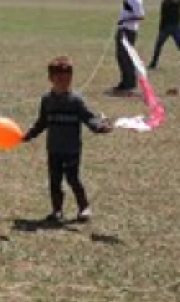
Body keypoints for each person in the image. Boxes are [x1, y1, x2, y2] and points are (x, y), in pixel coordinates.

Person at [20, 55, 112, 223]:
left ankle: (84, 207)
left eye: (67, 79)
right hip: (54, 149)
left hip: (71, 149)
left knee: (72, 178)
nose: (64, 82)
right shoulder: (47, 100)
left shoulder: (76, 100)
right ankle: (57, 211)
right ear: (50, 79)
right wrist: (29, 135)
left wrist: (99, 127)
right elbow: (42, 122)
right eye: (59, 79)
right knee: (54, 181)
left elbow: (89, 117)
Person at [108, 0, 147, 96]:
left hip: (128, 30)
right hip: (123, 28)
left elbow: (141, 15)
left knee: (126, 57)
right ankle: (125, 82)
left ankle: (129, 84)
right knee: (120, 56)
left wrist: (125, 19)